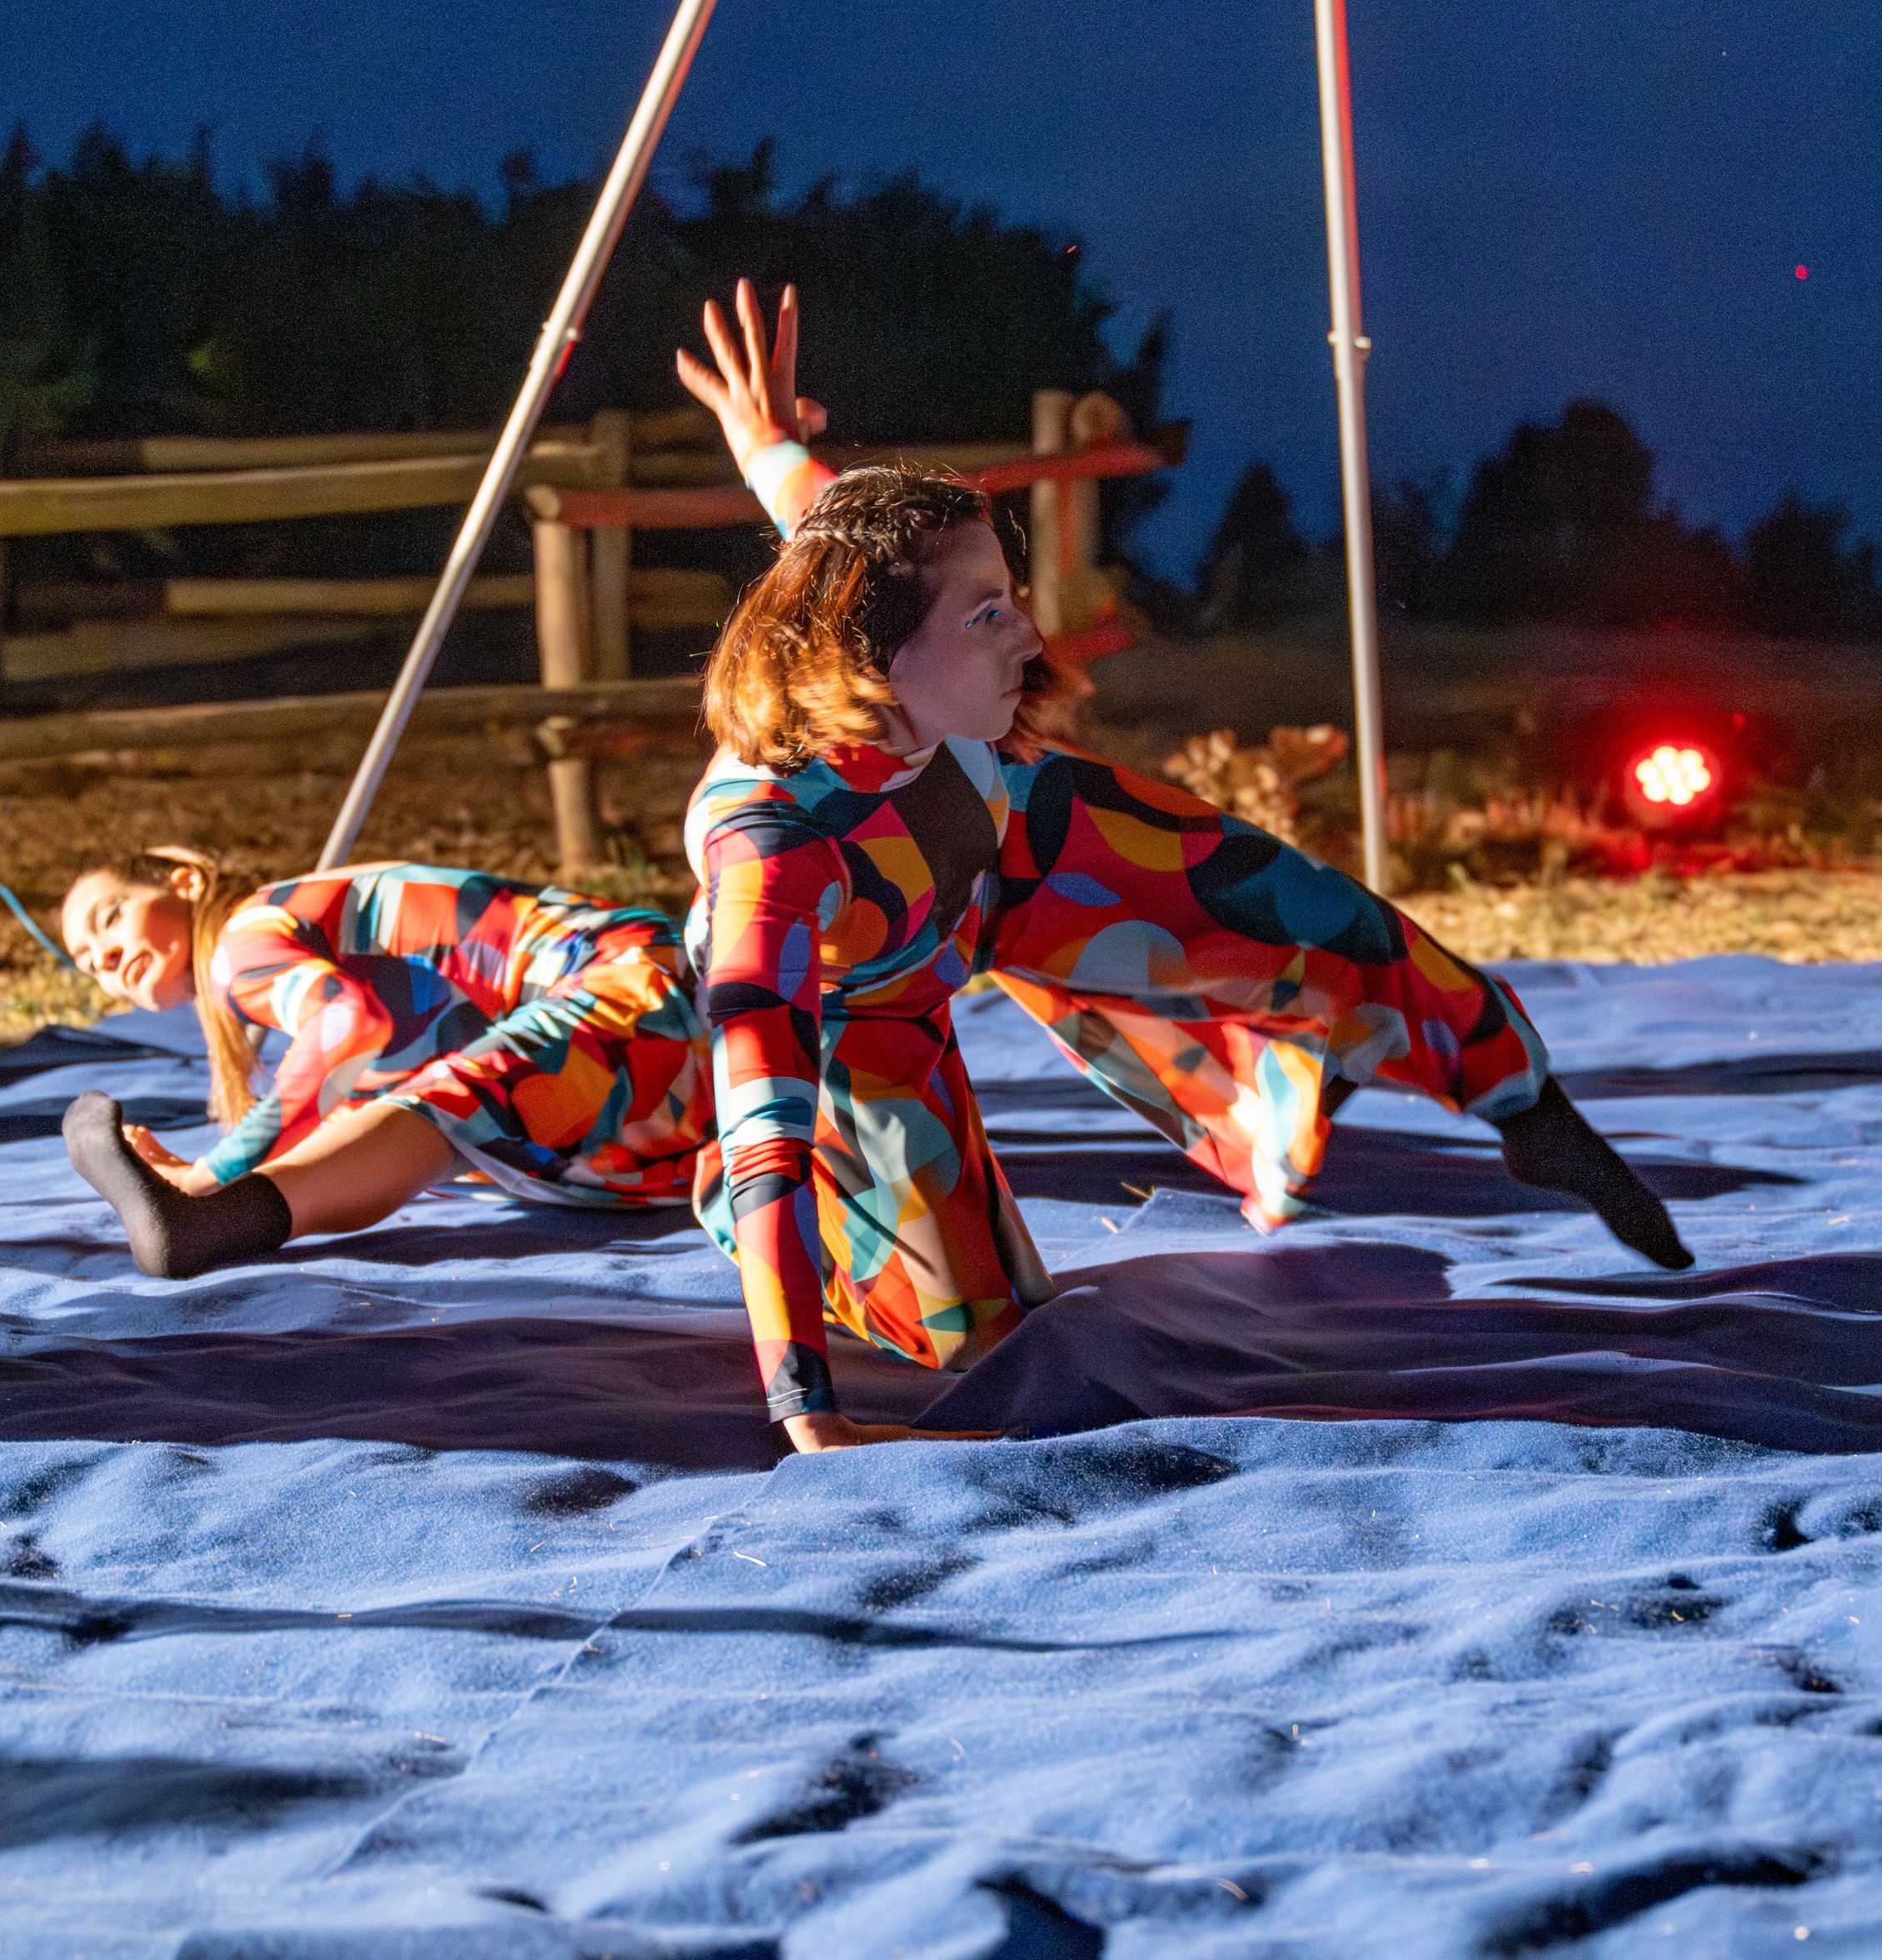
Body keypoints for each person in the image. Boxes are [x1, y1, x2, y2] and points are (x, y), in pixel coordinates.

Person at [671, 280, 1691, 1456]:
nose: (1032, 638)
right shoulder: (773, 857)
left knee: (1296, 911)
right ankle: (1237, 1115)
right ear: (881, 648)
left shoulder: (865, 565)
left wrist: (769, 439)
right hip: (874, 1001)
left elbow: (813, 502)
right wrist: (810, 1415)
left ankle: (1523, 1100)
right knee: (990, 1335)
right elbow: (766, 1133)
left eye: (1013, 604)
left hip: (1014, 850)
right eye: (989, 617)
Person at [57, 851, 713, 1277]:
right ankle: (218, 1215)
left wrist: (213, 1167)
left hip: (638, 999)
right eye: (87, 961)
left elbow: (348, 1027)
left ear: (184, 878)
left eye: (110, 920)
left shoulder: (243, 936)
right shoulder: (297, 924)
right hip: (673, 1086)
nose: (105, 958)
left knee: (421, 1100)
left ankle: (208, 1210)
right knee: (366, 1111)